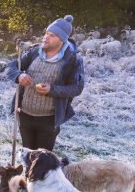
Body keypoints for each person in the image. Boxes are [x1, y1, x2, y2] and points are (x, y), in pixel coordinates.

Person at [5, 15, 85, 151]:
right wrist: (19, 76)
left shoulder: (72, 59)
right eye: (46, 33)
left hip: (49, 120)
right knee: (27, 154)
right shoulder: (35, 52)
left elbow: (77, 88)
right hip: (25, 114)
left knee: (42, 160)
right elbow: (11, 66)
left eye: (52, 35)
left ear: (62, 40)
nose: (46, 37)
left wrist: (51, 89)